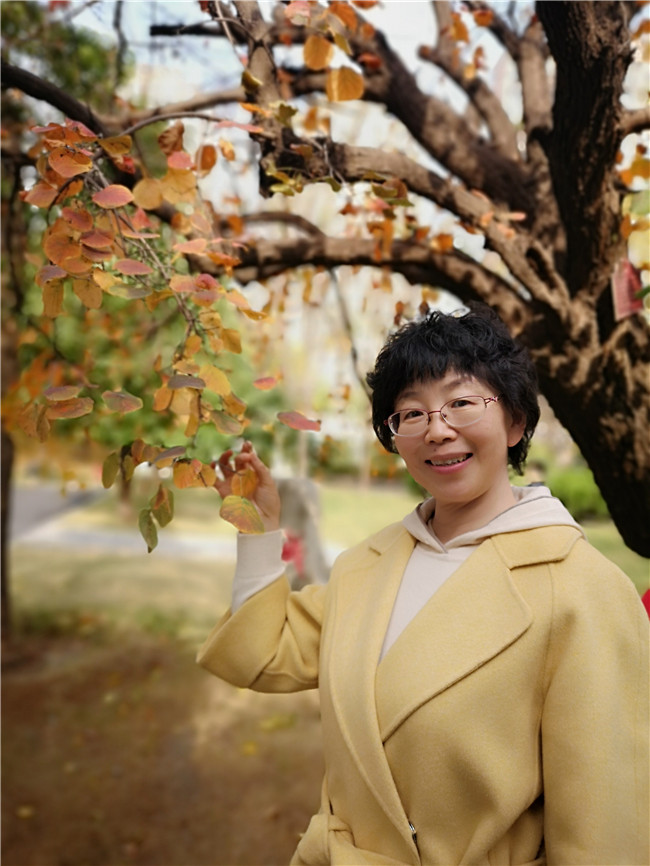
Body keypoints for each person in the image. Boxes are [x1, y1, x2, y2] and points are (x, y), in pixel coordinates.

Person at [198, 303, 649, 866]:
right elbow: (260, 654)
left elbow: (605, 827)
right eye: (411, 413)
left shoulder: (585, 591)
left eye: (461, 403)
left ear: (515, 422)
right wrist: (258, 529)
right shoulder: (367, 565)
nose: (437, 429)